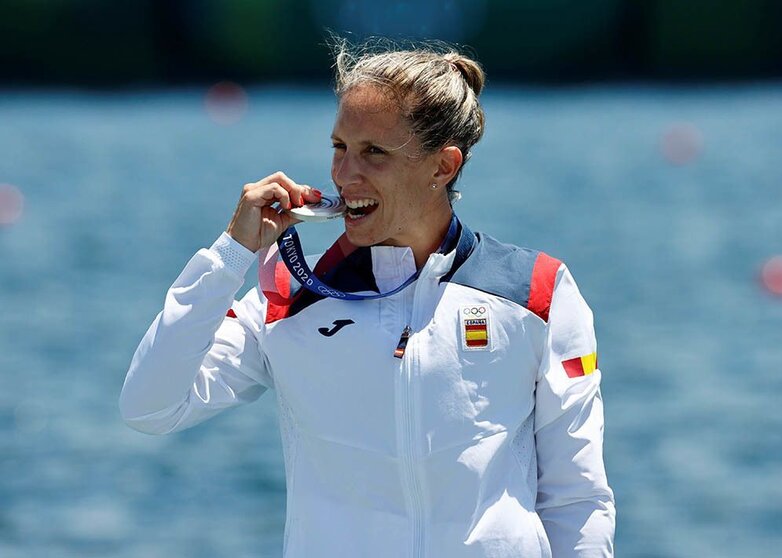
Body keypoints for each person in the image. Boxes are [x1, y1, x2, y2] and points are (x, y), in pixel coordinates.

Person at [119, 41, 616, 558]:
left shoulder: (538, 292)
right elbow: (150, 406)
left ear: (443, 166)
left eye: (373, 153)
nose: (343, 174)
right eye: (340, 147)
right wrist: (231, 255)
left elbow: (577, 500)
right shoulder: (287, 300)